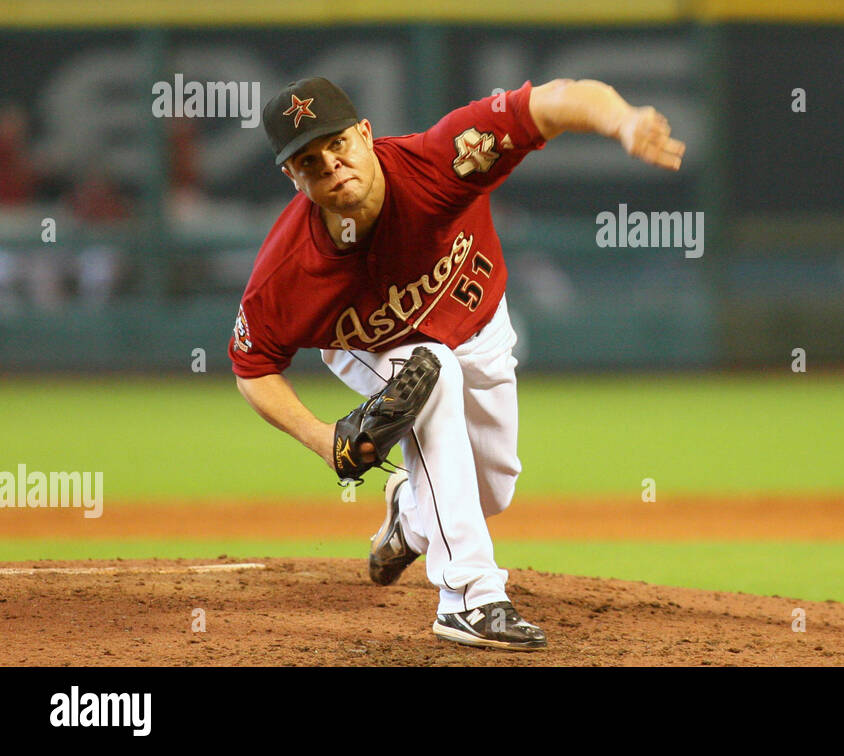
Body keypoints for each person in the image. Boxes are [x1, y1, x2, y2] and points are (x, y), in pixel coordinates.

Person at [229, 76, 684, 650]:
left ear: (366, 134)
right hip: (370, 351)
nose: (331, 163)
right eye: (308, 158)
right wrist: (325, 441)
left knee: (492, 489)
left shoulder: (439, 160)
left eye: (338, 143)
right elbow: (253, 368)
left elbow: (554, 101)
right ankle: (469, 597)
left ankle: (410, 516)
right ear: (290, 174)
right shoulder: (287, 269)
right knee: (431, 370)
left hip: (481, 325)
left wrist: (622, 120)